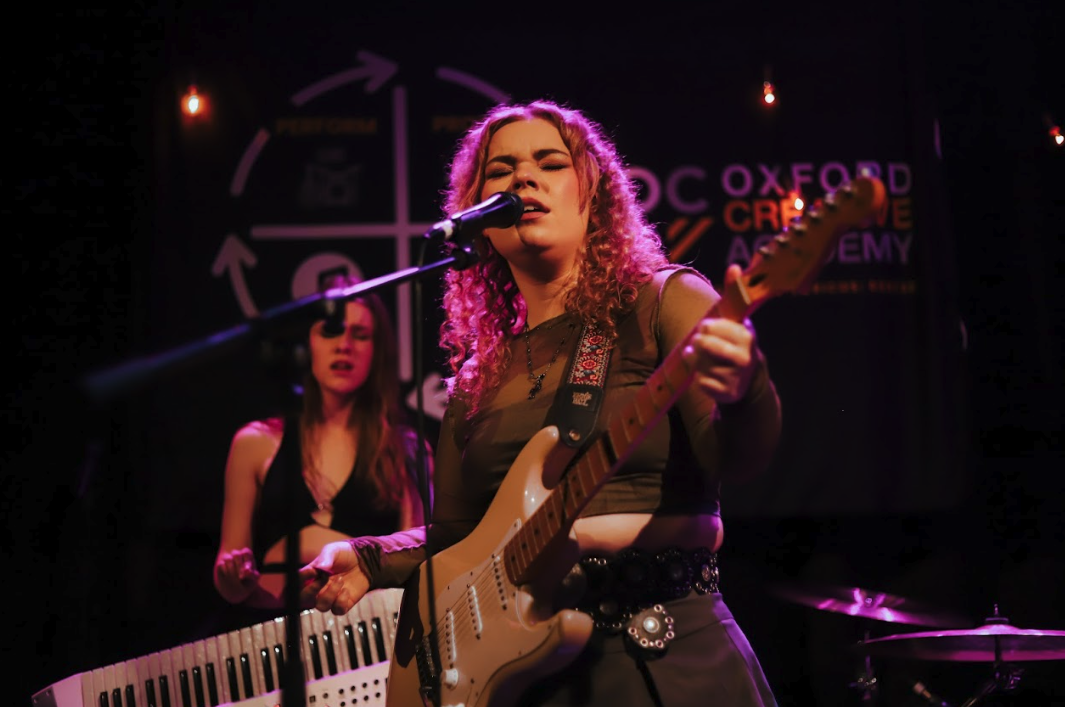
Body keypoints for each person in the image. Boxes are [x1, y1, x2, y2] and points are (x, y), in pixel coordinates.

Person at [299, 100, 782, 705]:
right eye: (499, 172)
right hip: (525, 679)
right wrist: (370, 559)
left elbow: (736, 460)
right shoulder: (477, 377)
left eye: (549, 163)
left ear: (593, 194)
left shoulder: (664, 300)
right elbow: (459, 542)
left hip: (663, 658)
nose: (522, 178)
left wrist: (746, 388)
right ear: (477, 216)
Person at [213, 276, 431, 611]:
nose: (345, 345)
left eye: (360, 334)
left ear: (377, 351)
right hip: (267, 627)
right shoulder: (254, 443)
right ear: (307, 343)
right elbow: (229, 578)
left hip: (361, 629)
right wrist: (233, 576)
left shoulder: (407, 451)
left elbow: (414, 569)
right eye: (331, 331)